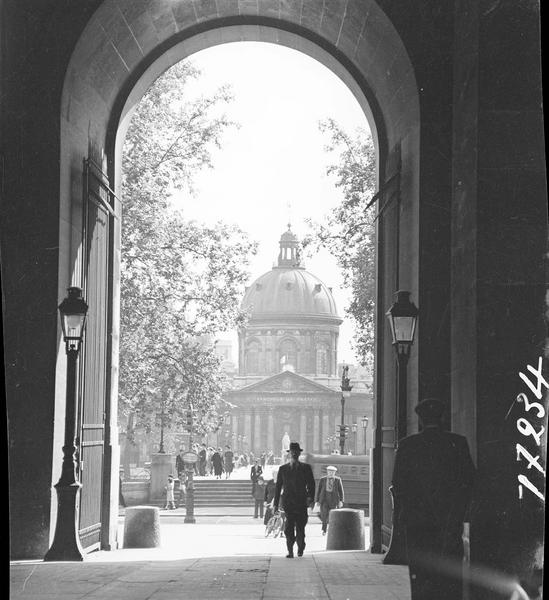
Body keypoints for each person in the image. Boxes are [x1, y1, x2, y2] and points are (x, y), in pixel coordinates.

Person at [391, 398, 476, 600]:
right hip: (449, 523)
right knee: (449, 578)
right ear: (443, 417)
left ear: (420, 420)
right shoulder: (458, 443)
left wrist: (404, 515)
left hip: (417, 524)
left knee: (421, 577)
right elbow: (470, 482)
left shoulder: (407, 445)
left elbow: (398, 485)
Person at [273, 441, 315, 558]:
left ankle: (300, 547)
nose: (294, 454)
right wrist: (275, 504)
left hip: (301, 502)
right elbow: (278, 488)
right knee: (288, 528)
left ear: (299, 454)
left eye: (296, 452)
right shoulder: (283, 469)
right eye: (293, 452)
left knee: (301, 527)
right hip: (288, 503)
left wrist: (310, 498)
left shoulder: (306, 468)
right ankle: (290, 550)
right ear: (289, 454)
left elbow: (311, 485)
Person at [314, 465, 344, 535]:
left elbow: (341, 491)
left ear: (335, 473)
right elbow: (319, 490)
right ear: (327, 472)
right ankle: (324, 530)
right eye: (330, 471)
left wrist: (341, 501)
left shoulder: (338, 480)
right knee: (324, 515)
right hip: (324, 500)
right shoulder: (323, 479)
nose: (331, 473)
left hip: (334, 500)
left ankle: (332, 529)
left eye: (332, 472)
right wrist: (317, 501)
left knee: (333, 515)